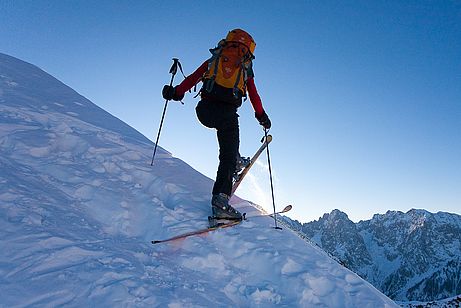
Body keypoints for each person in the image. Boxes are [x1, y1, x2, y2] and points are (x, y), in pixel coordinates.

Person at [162, 29, 271, 220]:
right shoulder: (245, 68)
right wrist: (261, 116)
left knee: (227, 141)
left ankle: (235, 159)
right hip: (227, 114)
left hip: (204, 111)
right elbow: (253, 94)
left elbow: (193, 78)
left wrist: (176, 93)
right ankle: (221, 200)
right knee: (226, 156)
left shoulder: (215, 60)